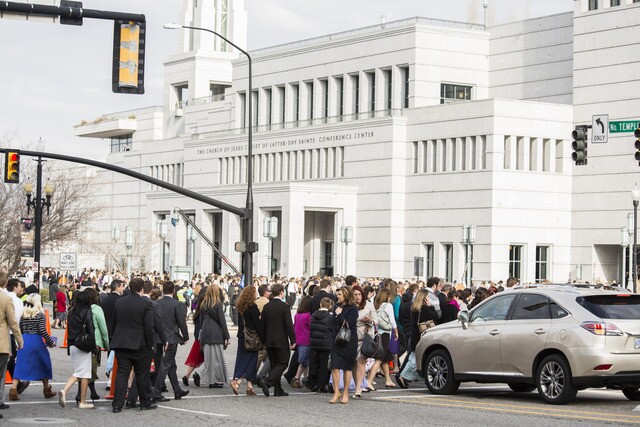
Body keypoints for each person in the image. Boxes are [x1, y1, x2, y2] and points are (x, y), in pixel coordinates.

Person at [109, 278, 156, 413]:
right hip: (140, 344)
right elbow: (148, 327)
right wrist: (150, 343)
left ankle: (117, 404)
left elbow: (114, 323)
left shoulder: (119, 302)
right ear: (142, 289)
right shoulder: (146, 304)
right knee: (142, 374)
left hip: (122, 343)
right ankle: (144, 402)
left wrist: (113, 340)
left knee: (122, 373)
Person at [10, 293, 56, 401]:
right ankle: (46, 389)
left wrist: (19, 342)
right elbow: (42, 330)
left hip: (25, 339)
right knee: (44, 363)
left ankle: (13, 390)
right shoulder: (40, 314)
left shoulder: (23, 314)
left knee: (21, 364)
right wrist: (50, 342)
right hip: (36, 340)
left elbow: (20, 329)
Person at [58, 290, 96, 409]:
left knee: (80, 372)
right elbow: (91, 329)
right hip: (83, 344)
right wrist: (94, 347)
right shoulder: (88, 311)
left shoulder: (71, 312)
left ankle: (81, 400)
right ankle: (77, 398)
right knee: (82, 373)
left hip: (73, 343)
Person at [153, 281, 190, 401]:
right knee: (167, 364)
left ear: (163, 290)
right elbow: (181, 322)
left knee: (168, 364)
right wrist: (185, 336)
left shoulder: (156, 303)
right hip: (171, 337)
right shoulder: (176, 304)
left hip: (158, 337)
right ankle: (157, 391)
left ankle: (177, 389)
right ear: (173, 290)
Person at [257, 284, 296, 397]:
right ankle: (268, 381)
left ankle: (278, 389)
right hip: (281, 340)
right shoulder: (284, 306)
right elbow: (289, 325)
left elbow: (262, 325)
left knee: (275, 364)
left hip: (269, 340)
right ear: (281, 292)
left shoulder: (267, 306)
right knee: (283, 363)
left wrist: (264, 340)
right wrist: (293, 339)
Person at [397, 289, 439, 388]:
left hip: (415, 334)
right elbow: (436, 317)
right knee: (414, 359)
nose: (429, 298)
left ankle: (403, 376)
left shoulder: (415, 308)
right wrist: (431, 306)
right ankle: (402, 376)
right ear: (424, 298)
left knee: (413, 356)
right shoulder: (425, 308)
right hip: (423, 335)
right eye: (427, 297)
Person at [72, 288, 107, 403]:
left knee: (80, 368)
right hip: (93, 343)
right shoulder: (96, 309)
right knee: (92, 368)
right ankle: (90, 392)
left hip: (77, 342)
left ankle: (81, 392)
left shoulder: (74, 310)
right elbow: (102, 328)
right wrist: (106, 343)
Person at [230, 285, 265, 396]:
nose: (256, 295)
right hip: (251, 338)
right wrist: (263, 338)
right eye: (255, 293)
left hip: (242, 336)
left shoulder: (241, 306)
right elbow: (257, 325)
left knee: (244, 359)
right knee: (251, 361)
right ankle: (237, 382)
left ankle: (249, 387)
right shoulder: (252, 307)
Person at [329, 286, 358, 404]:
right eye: (337, 294)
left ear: (346, 295)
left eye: (340, 294)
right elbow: (332, 323)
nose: (337, 296)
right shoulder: (336, 306)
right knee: (334, 366)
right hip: (336, 340)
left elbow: (348, 324)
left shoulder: (353, 308)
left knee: (347, 367)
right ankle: (336, 391)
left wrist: (339, 315)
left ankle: (345, 392)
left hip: (349, 341)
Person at [198, 284, 230, 388]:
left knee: (208, 358)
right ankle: (216, 379)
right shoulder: (218, 304)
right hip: (216, 332)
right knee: (217, 358)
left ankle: (210, 380)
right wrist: (226, 335)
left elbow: (201, 320)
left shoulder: (203, 304)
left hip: (206, 331)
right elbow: (222, 321)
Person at [367, 288, 398, 390]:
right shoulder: (388, 306)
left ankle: (388, 380)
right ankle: (369, 381)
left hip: (377, 333)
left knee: (385, 357)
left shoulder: (376, 306)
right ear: (387, 297)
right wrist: (396, 331)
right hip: (385, 334)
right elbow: (392, 320)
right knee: (379, 358)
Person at [304, 297, 333, 393]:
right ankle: (321, 385)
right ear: (330, 306)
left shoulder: (313, 315)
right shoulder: (330, 317)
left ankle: (313, 383)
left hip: (314, 342)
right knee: (324, 366)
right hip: (325, 343)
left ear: (320, 304)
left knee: (315, 364)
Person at [352, 284, 377, 397]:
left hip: (365, 337)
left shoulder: (369, 305)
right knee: (353, 364)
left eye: (359, 294)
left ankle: (358, 388)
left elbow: (377, 321)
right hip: (352, 338)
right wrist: (360, 320)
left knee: (361, 362)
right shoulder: (350, 306)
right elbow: (348, 321)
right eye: (355, 295)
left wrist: (370, 320)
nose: (357, 297)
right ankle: (357, 384)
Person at [291, 296, 312, 388]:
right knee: (304, 361)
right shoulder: (308, 315)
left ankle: (304, 378)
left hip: (298, 340)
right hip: (306, 340)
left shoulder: (297, 315)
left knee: (305, 361)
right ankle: (297, 377)